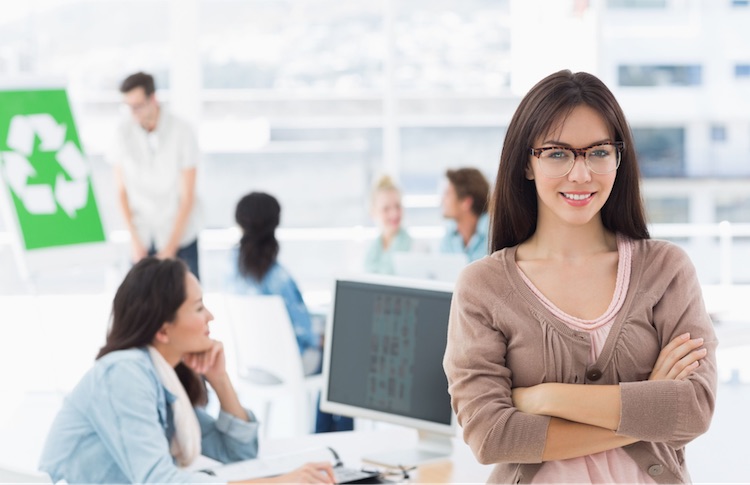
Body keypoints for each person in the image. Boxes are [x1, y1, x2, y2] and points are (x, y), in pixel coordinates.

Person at [442, 70, 717, 484]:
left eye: (598, 152)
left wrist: (545, 398)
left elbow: (692, 409)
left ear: (619, 158)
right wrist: (646, 407)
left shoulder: (666, 270)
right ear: (527, 164)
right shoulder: (483, 287)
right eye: (557, 153)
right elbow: (491, 435)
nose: (581, 174)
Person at [39, 257, 335, 484]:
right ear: (164, 331)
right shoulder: (123, 374)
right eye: (198, 308)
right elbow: (159, 481)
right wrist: (276, 483)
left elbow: (238, 453)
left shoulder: (161, 376)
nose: (211, 316)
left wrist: (220, 380)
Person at [226, 192, 354, 433]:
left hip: (253, 367)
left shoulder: (231, 267)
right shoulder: (278, 277)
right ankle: (332, 436)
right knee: (340, 359)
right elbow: (305, 332)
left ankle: (325, 433)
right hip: (286, 366)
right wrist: (325, 335)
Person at [110, 71, 202, 279]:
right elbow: (121, 192)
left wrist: (171, 246)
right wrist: (134, 240)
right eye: (128, 107)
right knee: (143, 307)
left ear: (153, 99)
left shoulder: (182, 131)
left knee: (186, 304)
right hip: (141, 237)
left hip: (179, 235)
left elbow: (188, 197)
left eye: (138, 106)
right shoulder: (122, 133)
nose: (133, 112)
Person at [364, 175, 413, 274]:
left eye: (398, 206)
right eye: (386, 208)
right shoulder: (368, 253)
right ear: (373, 212)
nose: (394, 214)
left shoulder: (416, 249)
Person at [439, 167, 490, 262]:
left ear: (466, 202)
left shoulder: (494, 234)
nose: (442, 200)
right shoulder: (449, 237)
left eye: (448, 194)